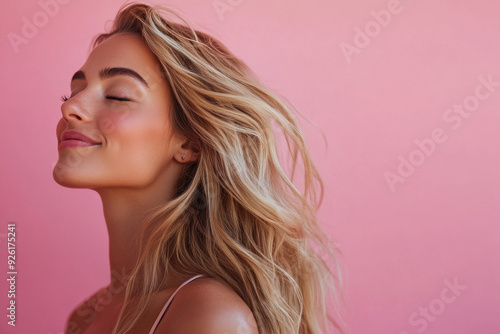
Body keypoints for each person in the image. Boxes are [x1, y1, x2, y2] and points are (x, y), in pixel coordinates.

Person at [54, 2, 342, 334]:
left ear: (189, 142)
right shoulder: (85, 318)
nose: (72, 107)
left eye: (118, 96)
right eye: (72, 92)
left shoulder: (208, 318)